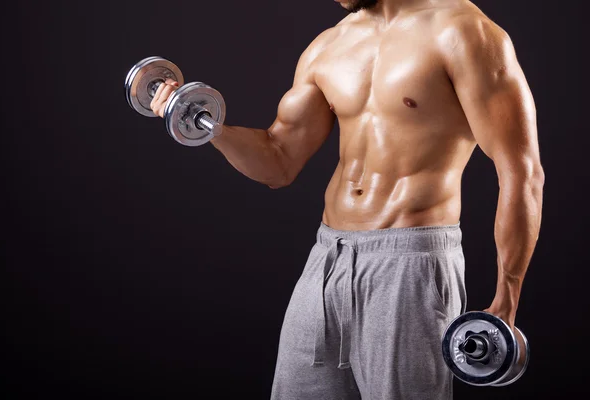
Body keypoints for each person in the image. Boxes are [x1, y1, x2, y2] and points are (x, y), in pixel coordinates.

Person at [149, 0, 544, 398]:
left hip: (409, 263)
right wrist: (207, 126)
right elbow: (278, 161)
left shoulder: (464, 32)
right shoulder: (328, 46)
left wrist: (506, 300)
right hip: (327, 261)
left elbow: (522, 171)